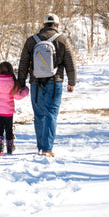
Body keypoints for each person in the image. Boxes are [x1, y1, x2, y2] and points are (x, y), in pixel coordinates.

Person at [18, 13, 76, 157]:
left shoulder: (31, 41)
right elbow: (70, 62)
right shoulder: (62, 40)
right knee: (51, 114)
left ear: (43, 25)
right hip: (54, 82)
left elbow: (23, 63)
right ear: (57, 25)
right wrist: (71, 82)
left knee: (39, 115)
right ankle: (47, 148)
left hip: (36, 83)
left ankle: (40, 145)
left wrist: (21, 83)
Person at [0, 61, 29, 156]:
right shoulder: (13, 81)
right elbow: (18, 96)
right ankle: (10, 147)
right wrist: (26, 90)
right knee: (9, 129)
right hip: (8, 110)